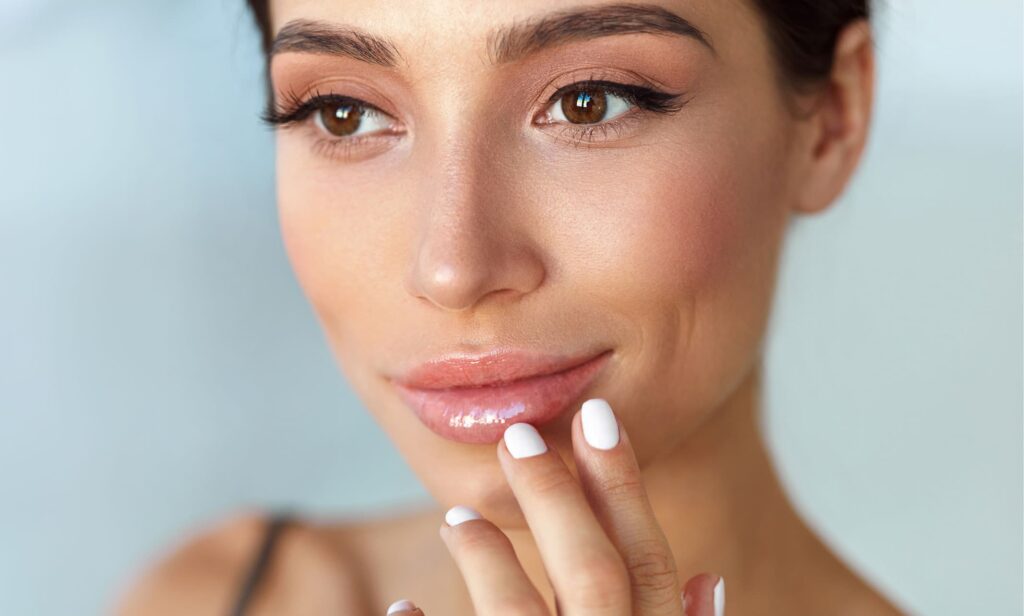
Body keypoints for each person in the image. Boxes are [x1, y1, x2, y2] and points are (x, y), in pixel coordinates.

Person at [116, 0, 905, 613]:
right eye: (343, 112)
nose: (454, 269)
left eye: (590, 102)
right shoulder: (220, 597)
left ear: (832, 118)